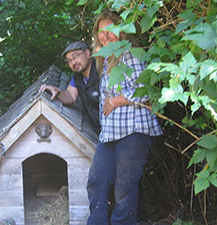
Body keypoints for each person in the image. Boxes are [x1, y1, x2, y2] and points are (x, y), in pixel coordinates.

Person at [86, 11, 163, 225]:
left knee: (124, 188)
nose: (106, 35)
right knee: (97, 180)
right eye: (101, 32)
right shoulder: (108, 59)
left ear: (121, 30)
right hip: (110, 134)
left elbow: (145, 90)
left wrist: (115, 101)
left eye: (110, 29)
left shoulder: (131, 54)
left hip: (134, 131)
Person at [39, 41, 100, 133]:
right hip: (100, 131)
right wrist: (57, 91)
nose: (73, 62)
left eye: (75, 56)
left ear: (87, 53)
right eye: (69, 60)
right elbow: (70, 96)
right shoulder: (77, 77)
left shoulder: (102, 70)